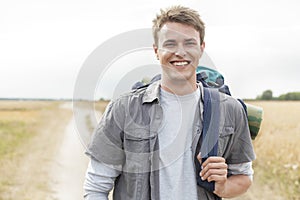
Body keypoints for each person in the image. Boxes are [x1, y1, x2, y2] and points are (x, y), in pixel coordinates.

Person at [84, 5, 255, 200]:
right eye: (170, 44)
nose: (180, 52)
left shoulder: (230, 109)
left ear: (201, 48)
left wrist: (223, 187)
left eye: (189, 43)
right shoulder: (123, 109)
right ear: (157, 51)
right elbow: (96, 187)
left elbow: (243, 177)